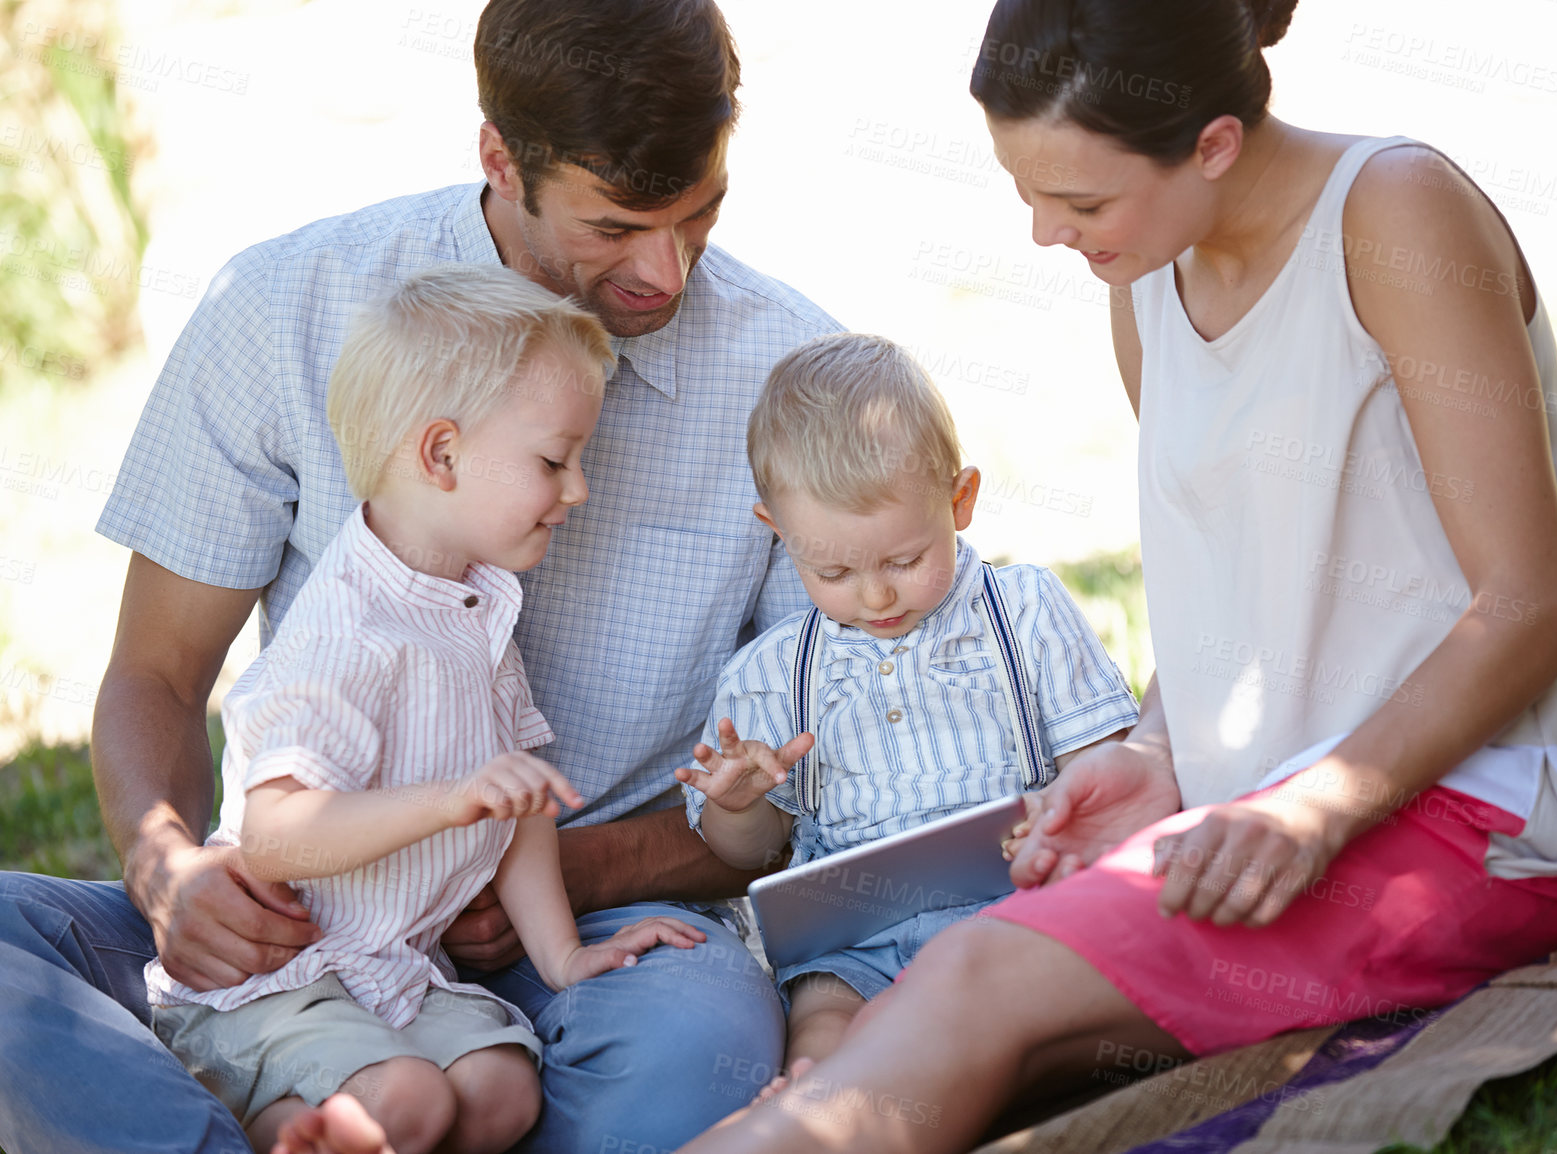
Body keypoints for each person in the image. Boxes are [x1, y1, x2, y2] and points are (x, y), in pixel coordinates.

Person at [677, 0, 1557, 1149]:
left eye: (1079, 201)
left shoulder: (1394, 213)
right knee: (933, 1015)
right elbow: (1233, 596)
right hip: (1265, 818)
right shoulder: (1147, 280)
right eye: (1025, 191)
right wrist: (1153, 755)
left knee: (974, 971)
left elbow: (1525, 610)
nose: (1044, 234)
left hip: (1487, 813)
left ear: (1215, 143)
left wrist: (1308, 806)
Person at [0, 2, 840, 1152]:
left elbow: (812, 782)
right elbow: (155, 668)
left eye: (702, 214)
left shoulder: (796, 382)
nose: (665, 269)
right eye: (618, 224)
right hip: (295, 931)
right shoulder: (281, 309)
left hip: (572, 935)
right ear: (501, 156)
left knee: (704, 1048)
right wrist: (174, 874)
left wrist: (550, 865)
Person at [146, 264, 706, 1154]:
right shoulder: (350, 630)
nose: (578, 491)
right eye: (554, 461)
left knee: (500, 1093)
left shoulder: (479, 611)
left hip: (394, 966)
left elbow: (515, 810)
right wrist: (451, 799)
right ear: (441, 454)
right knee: (407, 1099)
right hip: (284, 975)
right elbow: (276, 834)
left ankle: (342, 1126)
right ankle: (279, 1126)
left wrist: (561, 958)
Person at [673, 333, 1140, 1072]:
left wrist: (1068, 827)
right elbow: (753, 855)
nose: (877, 594)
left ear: (960, 500)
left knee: (1020, 995)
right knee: (824, 1010)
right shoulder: (771, 672)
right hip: (857, 938)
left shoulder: (1023, 614)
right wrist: (740, 805)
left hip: (1017, 904)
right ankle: (812, 1099)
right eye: (832, 569)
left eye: (904, 559)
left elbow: (1109, 768)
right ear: (778, 532)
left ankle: (938, 1083)